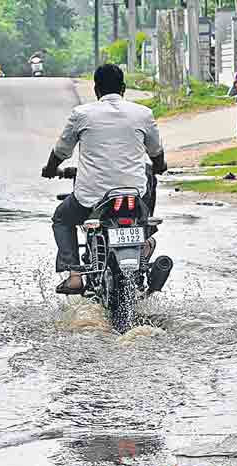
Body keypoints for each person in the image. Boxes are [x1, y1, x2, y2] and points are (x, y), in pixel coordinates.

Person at [41, 64, 167, 295]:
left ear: (96, 90)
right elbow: (156, 153)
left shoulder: (82, 114)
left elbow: (62, 150)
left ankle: (75, 275)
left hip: (92, 197)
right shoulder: (143, 113)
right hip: (133, 194)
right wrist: (159, 166)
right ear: (124, 88)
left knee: (61, 218)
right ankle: (145, 241)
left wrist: (50, 168)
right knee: (149, 182)